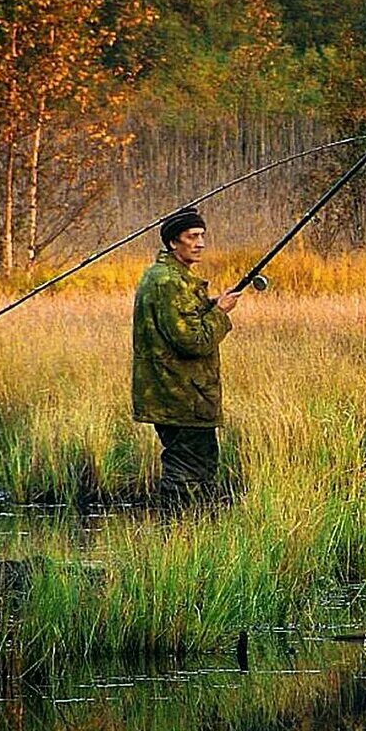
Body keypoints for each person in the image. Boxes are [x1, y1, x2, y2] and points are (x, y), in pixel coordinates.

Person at [131, 207, 241, 508]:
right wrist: (220, 313)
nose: (200, 243)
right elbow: (193, 341)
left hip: (180, 394)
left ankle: (195, 535)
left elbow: (178, 322)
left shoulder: (166, 277)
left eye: (202, 236)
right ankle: (178, 533)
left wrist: (209, 304)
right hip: (181, 395)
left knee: (198, 466)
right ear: (172, 243)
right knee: (186, 471)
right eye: (192, 237)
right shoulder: (169, 282)